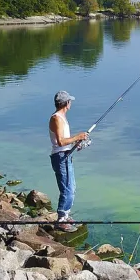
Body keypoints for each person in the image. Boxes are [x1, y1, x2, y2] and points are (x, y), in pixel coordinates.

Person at [49, 90, 90, 230]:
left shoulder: (61, 118)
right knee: (67, 189)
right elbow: (60, 142)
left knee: (71, 188)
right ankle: (61, 220)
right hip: (60, 157)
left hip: (65, 155)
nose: (70, 103)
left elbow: (64, 141)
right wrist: (77, 137)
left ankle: (66, 216)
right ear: (66, 103)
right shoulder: (56, 118)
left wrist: (75, 143)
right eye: (70, 101)